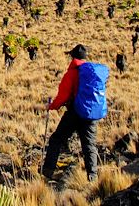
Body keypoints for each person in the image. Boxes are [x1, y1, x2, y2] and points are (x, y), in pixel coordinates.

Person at [42, 44, 99, 182]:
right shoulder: (92, 73)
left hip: (74, 112)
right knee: (89, 145)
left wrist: (52, 106)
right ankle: (92, 177)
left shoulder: (72, 72)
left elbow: (63, 95)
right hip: (90, 113)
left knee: (56, 139)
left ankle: (48, 171)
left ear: (72, 56)